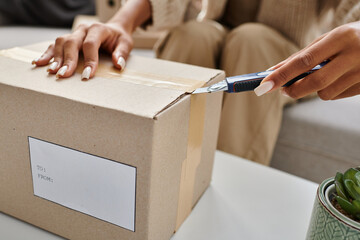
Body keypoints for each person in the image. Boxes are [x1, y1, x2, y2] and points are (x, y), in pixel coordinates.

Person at [33, 0, 360, 165]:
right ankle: (157, 174)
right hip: (217, 33)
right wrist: (121, 22)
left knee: (253, 41)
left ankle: (220, 196)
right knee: (193, 34)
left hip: (291, 57)